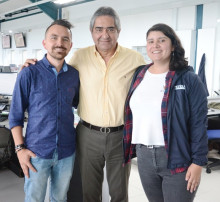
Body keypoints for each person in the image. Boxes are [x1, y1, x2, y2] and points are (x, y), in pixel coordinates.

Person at [22, 7, 146, 202]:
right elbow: (59, 73)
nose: (104, 34)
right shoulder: (79, 58)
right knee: (89, 192)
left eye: (111, 29)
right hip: (87, 135)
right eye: (99, 29)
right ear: (92, 32)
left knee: (120, 193)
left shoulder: (135, 59)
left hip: (120, 136)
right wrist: (32, 66)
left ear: (118, 32)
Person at [123, 23, 208, 202]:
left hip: (177, 156)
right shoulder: (140, 74)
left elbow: (199, 123)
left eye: (162, 40)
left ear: (173, 45)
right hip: (144, 156)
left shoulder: (188, 78)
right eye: (151, 41)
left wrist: (198, 161)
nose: (155, 45)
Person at [9, 19, 80, 202]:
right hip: (36, 152)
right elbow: (15, 116)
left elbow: (77, 104)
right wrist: (20, 150)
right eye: (54, 37)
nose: (59, 43)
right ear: (44, 43)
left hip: (66, 152)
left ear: (70, 45)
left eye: (65, 39)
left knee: (60, 198)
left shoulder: (74, 75)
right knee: (34, 199)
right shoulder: (29, 73)